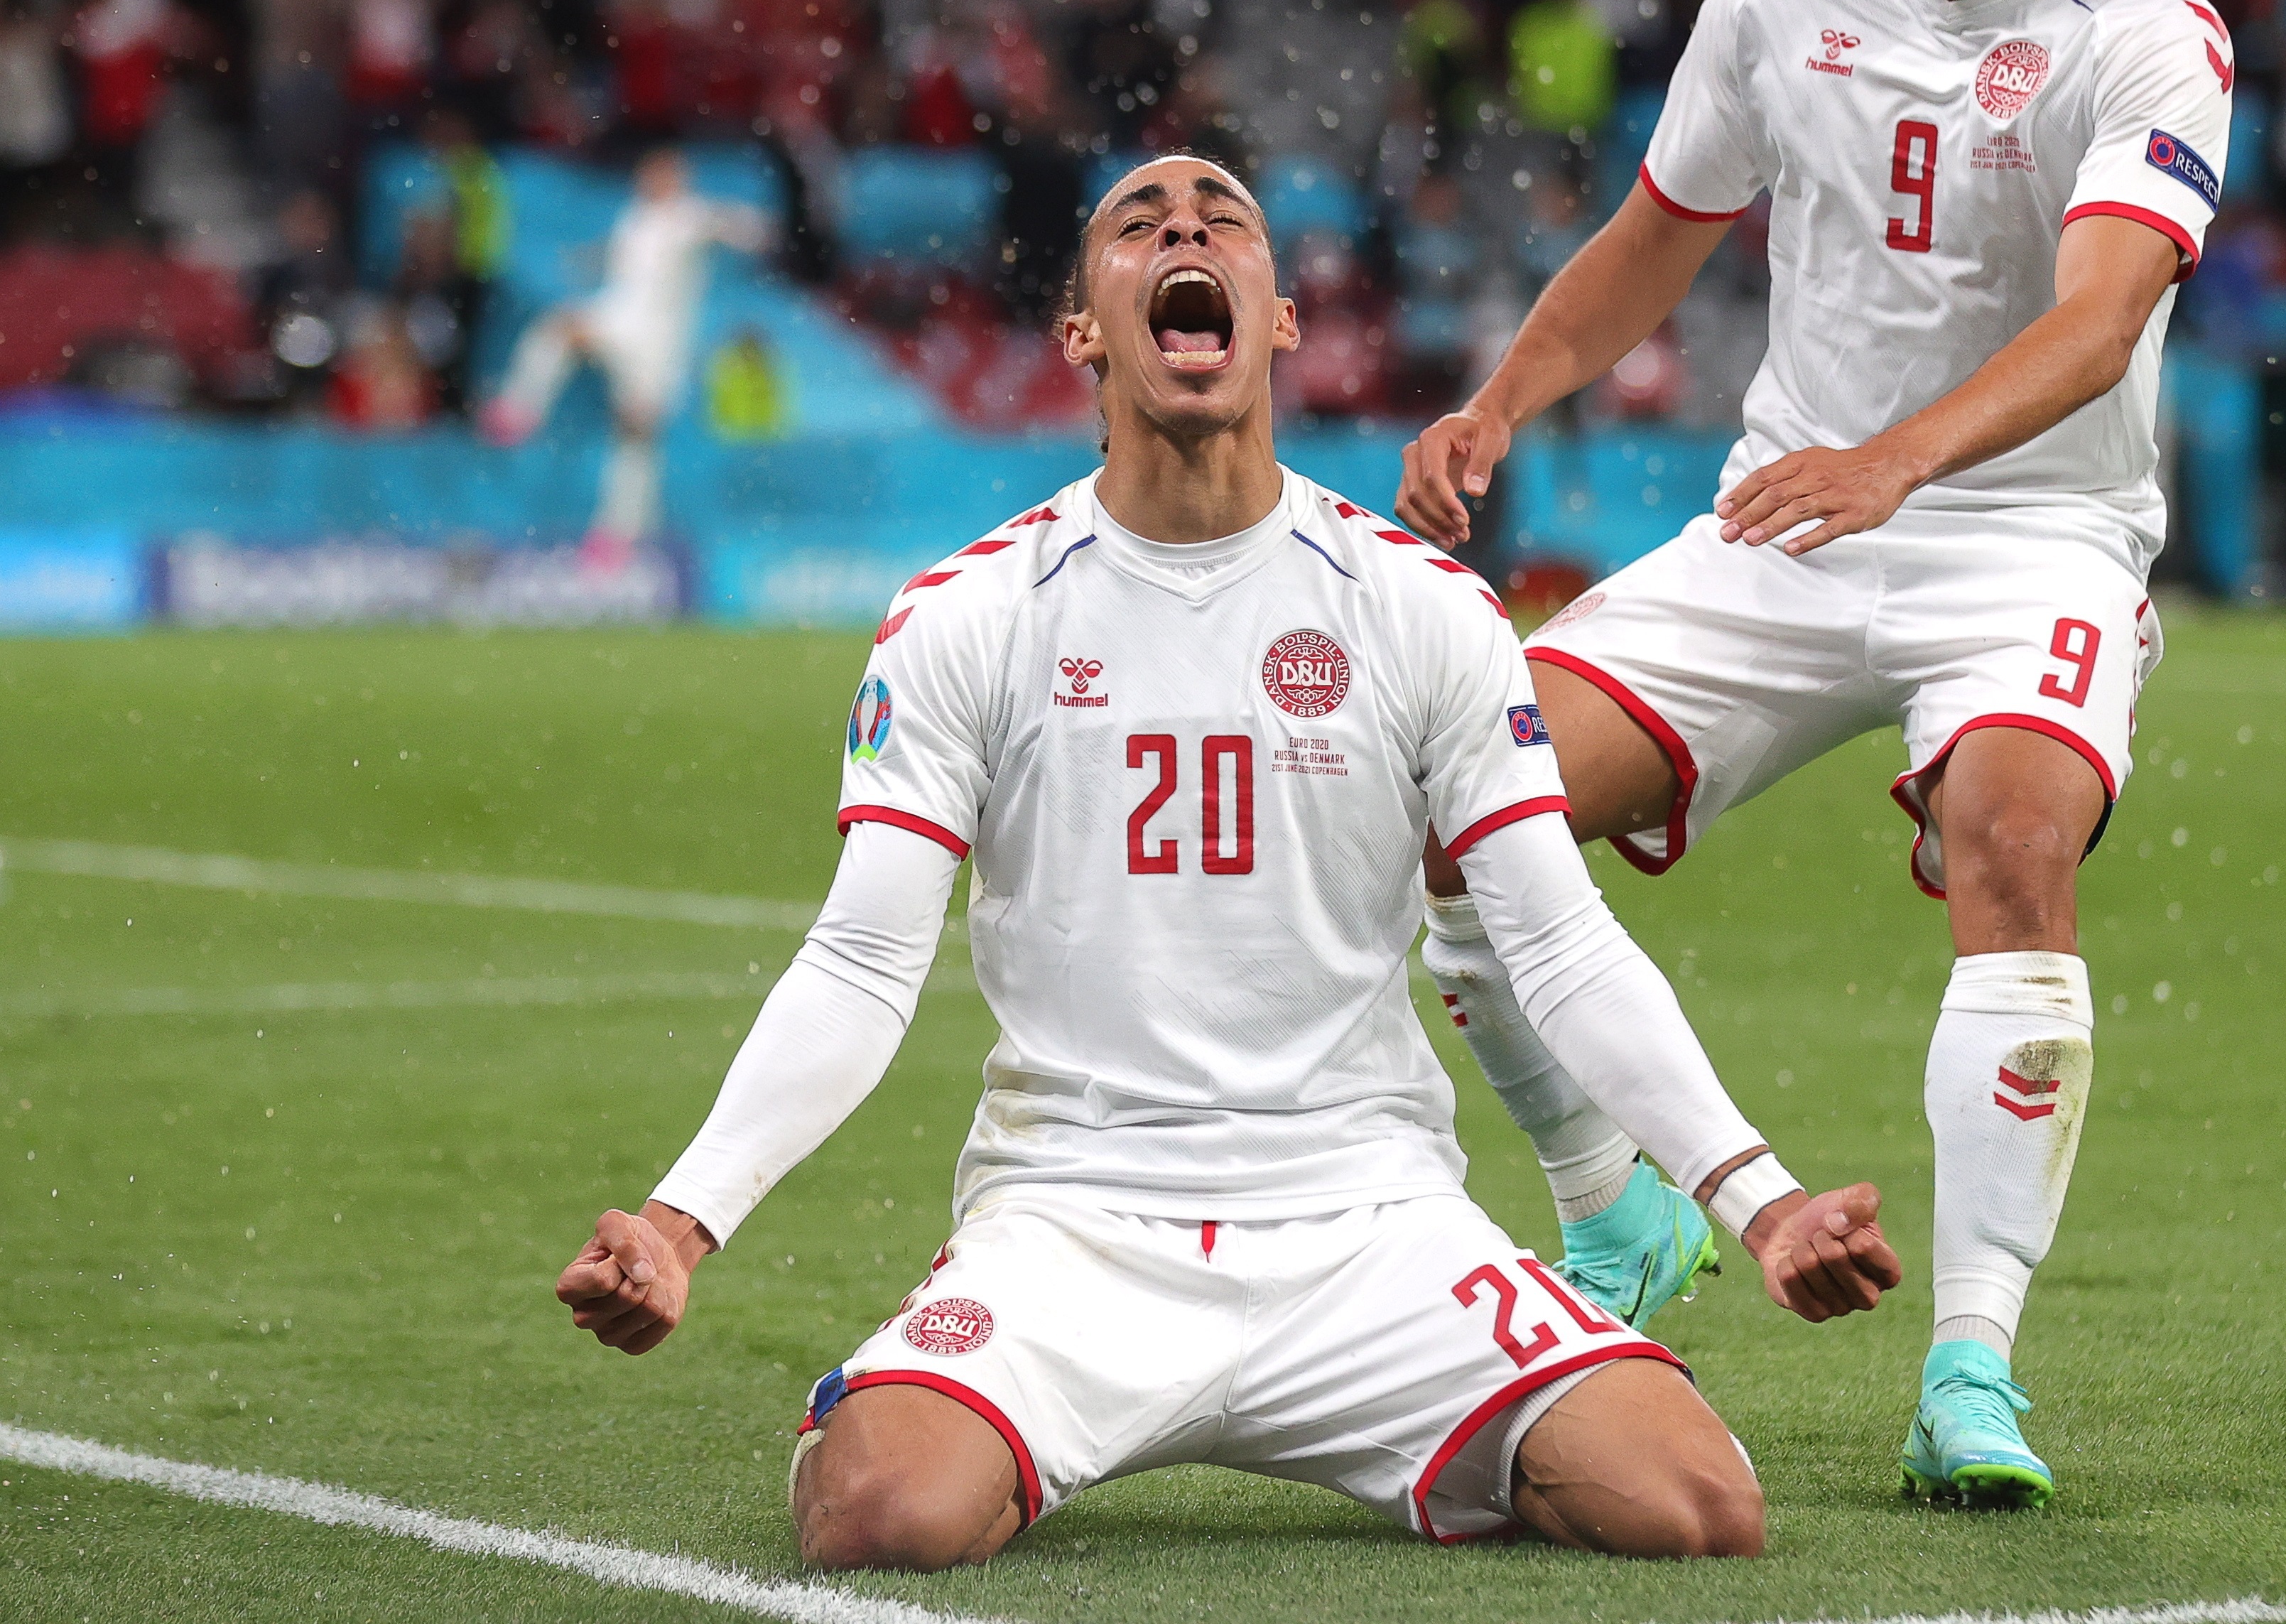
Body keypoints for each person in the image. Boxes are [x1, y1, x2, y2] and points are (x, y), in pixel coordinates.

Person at [554, 155, 1902, 1571]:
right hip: (1074, 1224)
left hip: (1374, 1224)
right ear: (1084, 331)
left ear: (1281, 318)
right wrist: (680, 1225)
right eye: (1137, 223)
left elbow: (1557, 942)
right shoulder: (967, 614)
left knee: (1696, 1506)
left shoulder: (1423, 606)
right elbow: (861, 959)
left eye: (1223, 219)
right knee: (881, 1513)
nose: (1184, 227)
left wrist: (1761, 1203)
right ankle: (908, 1404)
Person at [1396, 0, 2236, 1507]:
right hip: (1787, 527)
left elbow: (2101, 321)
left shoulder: (2147, 31)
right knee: (1457, 797)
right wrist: (1502, 399)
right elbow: (1657, 234)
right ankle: (1611, 1205)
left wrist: (1900, 460)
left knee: (2014, 844)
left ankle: (1969, 1371)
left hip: (2027, 541)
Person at [479, 148, 771, 565]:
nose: (655, 179)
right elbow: (629, 263)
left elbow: (739, 226)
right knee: (557, 330)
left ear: (680, 177)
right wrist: (588, 259)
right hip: (620, 319)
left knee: (635, 436)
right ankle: (519, 410)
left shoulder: (690, 215)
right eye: (650, 171)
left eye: (666, 172)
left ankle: (619, 533)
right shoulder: (634, 217)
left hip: (658, 344)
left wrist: (751, 230)